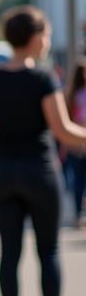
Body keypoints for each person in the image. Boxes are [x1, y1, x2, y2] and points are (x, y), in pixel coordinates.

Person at [0, 6, 82, 296]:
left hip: (3, 171)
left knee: (9, 252)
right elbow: (62, 130)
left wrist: (6, 150)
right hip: (39, 169)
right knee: (48, 250)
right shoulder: (43, 78)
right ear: (36, 38)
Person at [62, 59, 86, 228]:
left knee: (77, 180)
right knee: (79, 180)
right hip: (78, 143)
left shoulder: (68, 94)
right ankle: (79, 214)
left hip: (72, 143)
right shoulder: (76, 94)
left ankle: (78, 213)